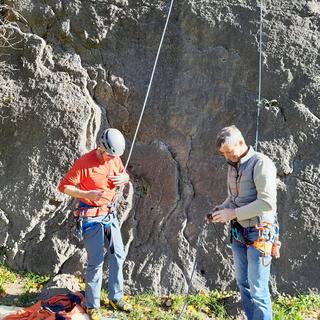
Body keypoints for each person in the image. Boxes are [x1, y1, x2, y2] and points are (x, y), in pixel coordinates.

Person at [58, 128, 133, 320]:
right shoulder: (84, 162)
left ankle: (116, 297)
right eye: (108, 154)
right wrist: (86, 194)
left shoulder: (114, 158)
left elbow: (122, 175)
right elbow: (64, 186)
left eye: (114, 156)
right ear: (101, 147)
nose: (111, 158)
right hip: (90, 217)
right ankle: (93, 305)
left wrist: (125, 178)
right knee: (96, 261)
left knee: (118, 254)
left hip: (109, 214)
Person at [207, 125, 278, 320]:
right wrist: (222, 209)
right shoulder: (233, 165)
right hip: (238, 233)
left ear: (241, 142)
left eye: (229, 152)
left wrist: (233, 213)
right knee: (243, 284)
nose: (227, 157)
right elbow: (234, 198)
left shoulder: (261, 164)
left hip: (259, 233)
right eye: (224, 154)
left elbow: (266, 203)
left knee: (258, 289)